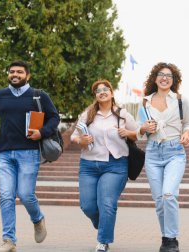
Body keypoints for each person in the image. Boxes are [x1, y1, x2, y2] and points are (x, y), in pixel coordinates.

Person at [0, 60, 60, 252]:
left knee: (26, 194)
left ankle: (38, 219)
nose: (15, 74)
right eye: (11, 72)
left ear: (28, 75)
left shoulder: (38, 95)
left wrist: (42, 132)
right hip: (5, 152)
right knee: (6, 196)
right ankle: (9, 241)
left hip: (29, 152)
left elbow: (54, 117)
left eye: (19, 71)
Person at [70, 79, 138, 252]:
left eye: (105, 89)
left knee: (107, 203)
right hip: (88, 165)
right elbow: (73, 137)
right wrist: (81, 140)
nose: (102, 91)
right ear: (95, 96)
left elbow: (138, 134)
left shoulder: (122, 114)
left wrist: (127, 132)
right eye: (98, 90)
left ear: (111, 93)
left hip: (115, 165)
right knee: (87, 206)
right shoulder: (88, 114)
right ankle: (103, 225)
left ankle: (103, 241)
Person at [137, 62, 189, 252]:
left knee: (169, 194)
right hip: (153, 152)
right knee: (159, 199)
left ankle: (172, 239)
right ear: (155, 78)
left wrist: (186, 133)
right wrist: (145, 128)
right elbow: (138, 130)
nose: (164, 78)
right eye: (161, 74)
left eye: (168, 75)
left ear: (173, 80)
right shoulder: (144, 102)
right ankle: (166, 238)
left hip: (175, 152)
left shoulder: (180, 100)